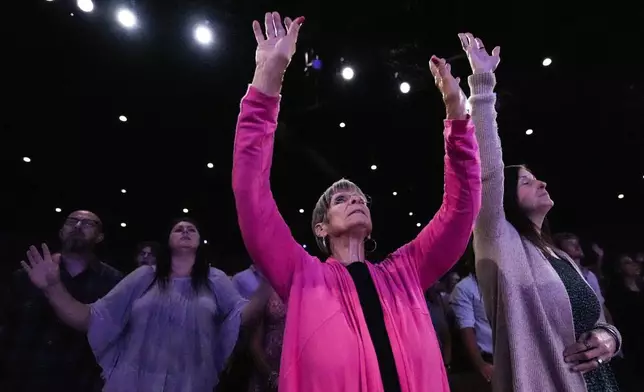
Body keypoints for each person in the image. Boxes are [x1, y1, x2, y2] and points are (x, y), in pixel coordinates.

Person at [232, 11, 481, 392]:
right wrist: (267, 81)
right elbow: (252, 195)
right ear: (321, 227)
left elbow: (461, 210)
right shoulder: (300, 275)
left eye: (360, 197)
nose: (356, 200)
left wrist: (458, 120)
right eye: (341, 199)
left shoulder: (407, 272)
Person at [463, 32, 622, 391]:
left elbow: (598, 320)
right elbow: (489, 173)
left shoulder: (560, 257)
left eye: (537, 178)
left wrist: (609, 339)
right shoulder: (499, 242)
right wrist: (483, 86)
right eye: (526, 181)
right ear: (506, 200)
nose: (542, 184)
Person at [20, 217, 271, 392]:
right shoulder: (143, 276)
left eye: (191, 229)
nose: (185, 230)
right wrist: (53, 287)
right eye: (178, 229)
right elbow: (91, 318)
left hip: (191, 385)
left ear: (200, 241)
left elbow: (242, 316)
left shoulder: (214, 278)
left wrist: (271, 278)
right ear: (168, 241)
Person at [0, 210, 123, 392]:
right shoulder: (26, 275)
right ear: (61, 231)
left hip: (78, 383)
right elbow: (6, 327)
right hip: (21, 380)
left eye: (88, 223)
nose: (78, 226)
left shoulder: (114, 282)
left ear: (100, 237)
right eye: (72, 221)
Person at [248, 289, 286, 392]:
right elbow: (254, 343)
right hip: (266, 369)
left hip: (296, 372)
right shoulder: (267, 290)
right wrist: (271, 375)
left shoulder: (307, 289)